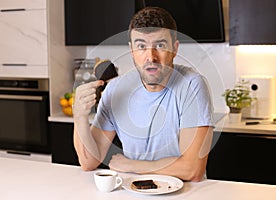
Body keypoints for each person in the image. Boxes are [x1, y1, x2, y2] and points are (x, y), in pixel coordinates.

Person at [73, 6, 214, 182]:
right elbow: (88, 162)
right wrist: (79, 115)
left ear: (175, 48)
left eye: (160, 45)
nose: (151, 57)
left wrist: (133, 165)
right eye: (141, 46)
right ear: (132, 50)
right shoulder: (115, 89)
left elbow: (192, 170)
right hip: (133, 190)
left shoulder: (192, 85)